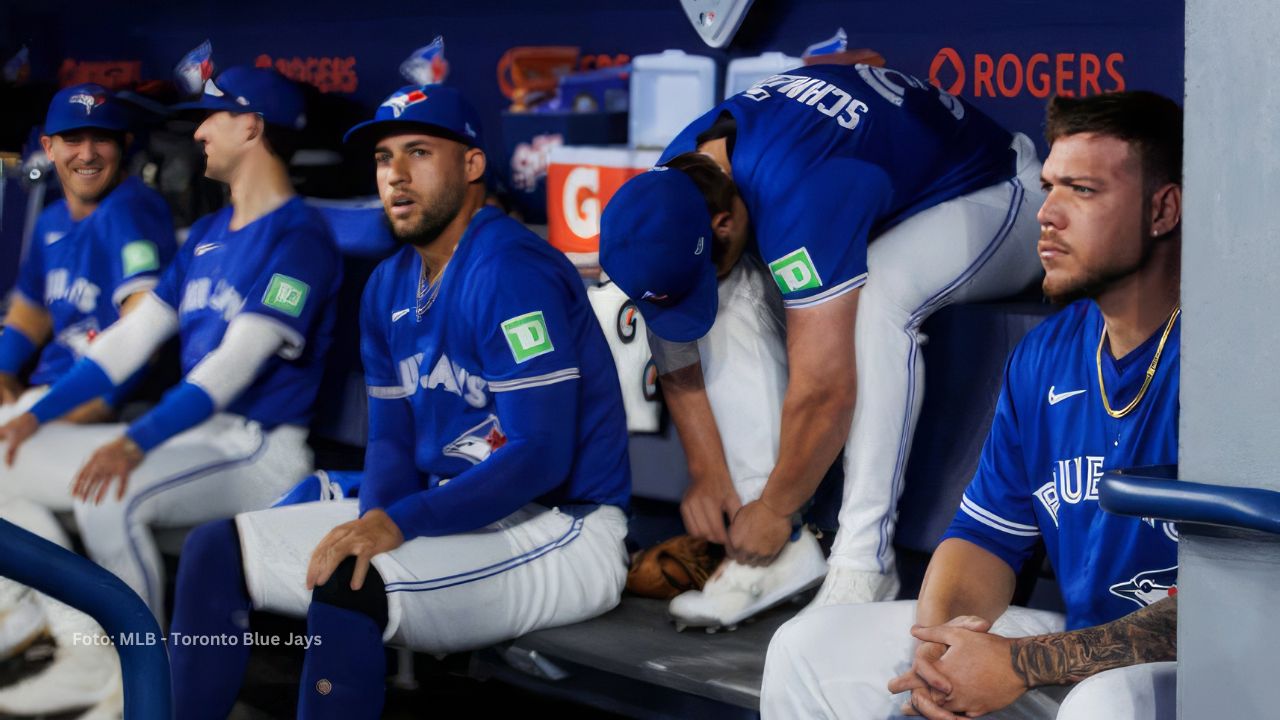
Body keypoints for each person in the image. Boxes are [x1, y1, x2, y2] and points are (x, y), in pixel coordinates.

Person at [166, 84, 631, 719]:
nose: (397, 176)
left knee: (348, 590)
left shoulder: (510, 271)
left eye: (419, 152)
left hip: (561, 523)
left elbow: (541, 456)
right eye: (385, 159)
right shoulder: (388, 283)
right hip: (446, 504)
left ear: (471, 165)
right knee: (215, 550)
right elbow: (388, 439)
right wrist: (376, 520)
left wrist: (395, 524)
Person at [761, 90, 1183, 720]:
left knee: (1104, 704)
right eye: (1049, 187)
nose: (1049, 213)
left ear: (1162, 209)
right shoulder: (1045, 356)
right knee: (808, 648)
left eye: (1084, 191)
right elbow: (985, 540)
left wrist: (1022, 663)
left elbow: (1243, 605)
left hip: (1221, 667)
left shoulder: (1235, 363)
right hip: (1076, 643)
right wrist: (937, 656)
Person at [599, 63, 1045, 626]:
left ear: (721, 223)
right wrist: (707, 467)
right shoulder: (674, 181)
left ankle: (863, 564)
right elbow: (672, 335)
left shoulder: (798, 188)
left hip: (1006, 192)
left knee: (880, 295)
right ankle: (774, 555)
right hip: (897, 196)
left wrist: (778, 507)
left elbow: (825, 390)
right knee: (728, 291)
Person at [0, 65, 340, 631]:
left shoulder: (298, 235)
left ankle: (141, 684)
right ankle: (67, 641)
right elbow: (130, 339)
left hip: (260, 446)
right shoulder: (210, 231)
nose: (199, 134)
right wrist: (37, 416)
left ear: (252, 128)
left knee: (108, 494)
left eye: (212, 119)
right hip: (195, 435)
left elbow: (233, 365)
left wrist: (135, 442)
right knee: (3, 462)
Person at [0, 82, 176, 718]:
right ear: (48, 146)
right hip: (47, 403)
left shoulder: (132, 211)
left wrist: (77, 409)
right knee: (9, 489)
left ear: (123, 145)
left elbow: (141, 333)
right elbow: (28, 312)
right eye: (73, 138)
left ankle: (85, 650)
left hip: (104, 412)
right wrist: (3, 372)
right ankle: (32, 622)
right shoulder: (52, 219)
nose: (87, 152)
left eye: (102, 137)